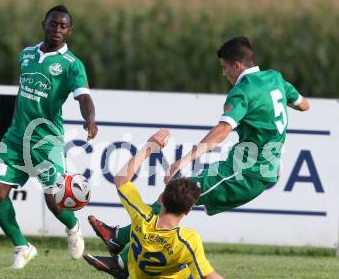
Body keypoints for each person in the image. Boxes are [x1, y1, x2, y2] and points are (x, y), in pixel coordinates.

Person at [88, 36, 310, 257]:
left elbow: (222, 131)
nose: (224, 74)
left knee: (173, 198)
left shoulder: (243, 91)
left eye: (224, 68)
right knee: (175, 198)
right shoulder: (275, 78)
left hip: (246, 172)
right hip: (246, 169)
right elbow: (304, 105)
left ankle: (122, 251)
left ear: (237, 65)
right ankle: (120, 242)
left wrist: (185, 160)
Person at [84, 129, 271, 279]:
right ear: (188, 210)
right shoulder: (188, 239)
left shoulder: (141, 217)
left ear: (162, 199)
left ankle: (119, 252)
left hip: (140, 278)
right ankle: (118, 250)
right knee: (201, 276)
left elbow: (121, 179)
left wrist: (149, 147)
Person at [0, 5, 98, 269]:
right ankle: (22, 246)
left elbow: (84, 97)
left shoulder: (72, 65)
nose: (57, 29)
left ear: (69, 31)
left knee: (54, 200)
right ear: (44, 24)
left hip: (46, 141)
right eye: (53, 24)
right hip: (15, 138)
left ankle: (73, 228)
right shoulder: (26, 55)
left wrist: (90, 119)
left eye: (63, 26)